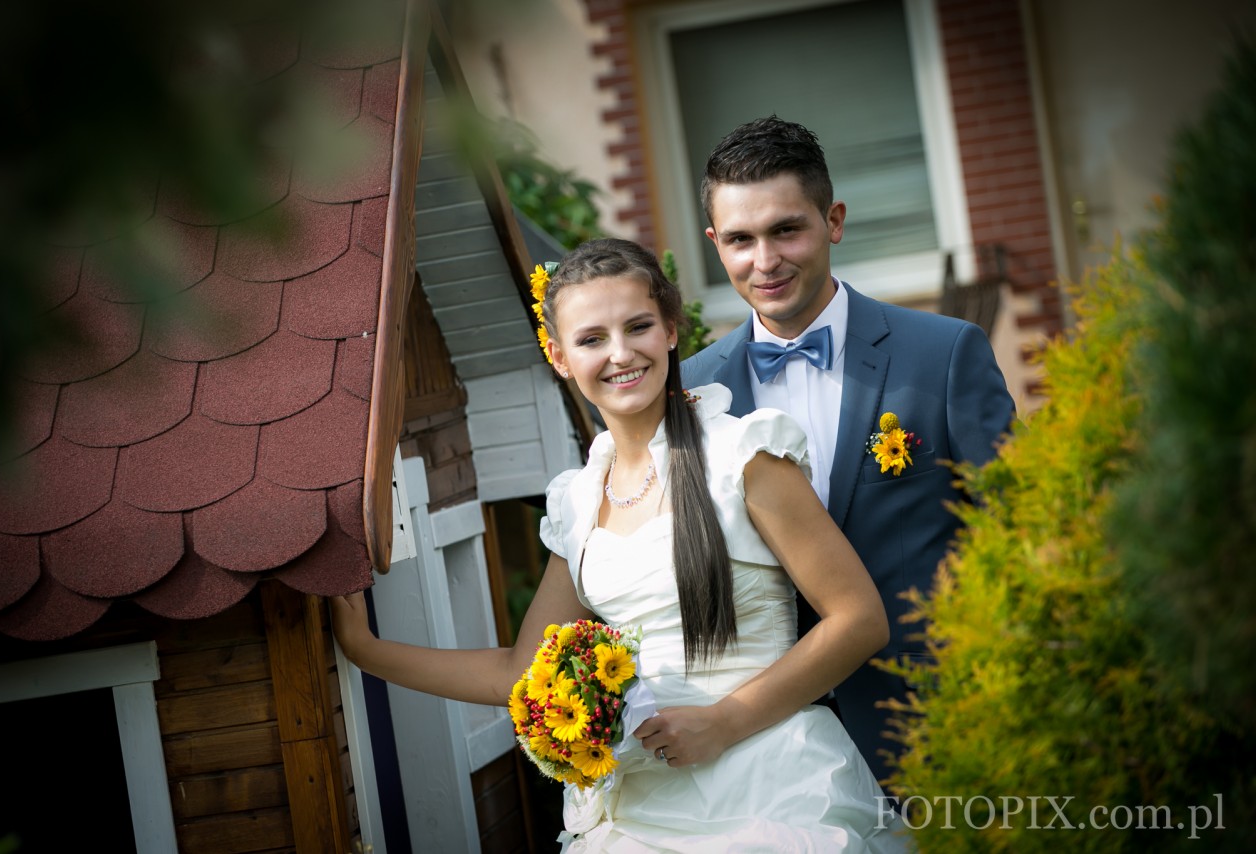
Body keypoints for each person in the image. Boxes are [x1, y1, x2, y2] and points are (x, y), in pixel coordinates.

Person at [332, 238, 907, 851]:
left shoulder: (745, 456)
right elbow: (519, 673)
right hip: (638, 809)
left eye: (638, 327)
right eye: (591, 339)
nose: (620, 354)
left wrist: (724, 722)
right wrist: (366, 650)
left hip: (771, 783)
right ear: (558, 356)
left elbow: (858, 618)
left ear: (670, 331)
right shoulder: (576, 503)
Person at [681, 116, 1016, 784]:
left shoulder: (945, 354)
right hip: (762, 747)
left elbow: (1017, 532)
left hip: (930, 721)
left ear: (832, 220)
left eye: (786, 230)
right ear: (716, 244)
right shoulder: (688, 392)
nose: (765, 261)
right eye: (741, 240)